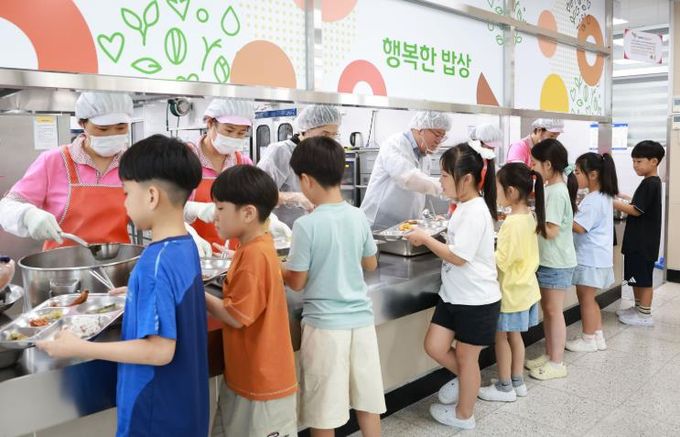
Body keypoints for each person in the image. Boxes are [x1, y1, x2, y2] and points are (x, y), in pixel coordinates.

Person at [37, 135, 209, 437]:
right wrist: (137, 294)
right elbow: (177, 300)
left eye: (127, 193)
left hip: (154, 414)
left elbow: (159, 351)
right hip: (185, 408)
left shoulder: (155, 263)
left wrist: (77, 347)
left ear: (152, 196)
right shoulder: (185, 246)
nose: (124, 202)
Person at [282, 137, 385, 437]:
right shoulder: (357, 215)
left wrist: (278, 267)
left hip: (325, 327)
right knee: (367, 401)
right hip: (361, 323)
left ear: (306, 180)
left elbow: (297, 282)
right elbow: (370, 264)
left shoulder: (306, 225)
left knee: (324, 412)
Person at [405, 141, 500, 430]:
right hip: (454, 296)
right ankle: (468, 381)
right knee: (434, 346)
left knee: (467, 359)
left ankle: (464, 415)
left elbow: (459, 257)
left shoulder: (475, 211)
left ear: (466, 179)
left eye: (445, 175)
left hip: (477, 300)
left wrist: (425, 238)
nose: (441, 181)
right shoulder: (463, 206)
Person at [203, 165, 298, 436]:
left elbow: (235, 316)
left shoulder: (254, 256)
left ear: (247, 213)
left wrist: (196, 292)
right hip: (248, 375)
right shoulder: (254, 246)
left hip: (263, 383)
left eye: (220, 208)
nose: (214, 216)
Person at [0, 92, 133, 250]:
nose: (112, 135)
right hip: (63, 262)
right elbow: (7, 206)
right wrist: (27, 215)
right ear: (82, 124)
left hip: (117, 259)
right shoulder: (54, 161)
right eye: (102, 129)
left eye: (121, 127)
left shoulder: (133, 163)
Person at [478, 162, 544, 402]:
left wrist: (484, 254)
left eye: (498, 188)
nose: (495, 193)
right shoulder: (529, 216)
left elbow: (502, 261)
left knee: (501, 338)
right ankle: (518, 381)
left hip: (510, 291)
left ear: (512, 191)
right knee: (516, 337)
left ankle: (505, 386)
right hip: (526, 288)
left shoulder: (511, 223)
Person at [525, 139, 577, 380]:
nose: (532, 167)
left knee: (554, 312)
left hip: (556, 262)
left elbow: (552, 231)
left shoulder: (556, 192)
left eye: (534, 163)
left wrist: (528, 221)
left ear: (547, 164)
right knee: (548, 311)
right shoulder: (552, 188)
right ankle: (549, 354)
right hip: (550, 260)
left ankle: (557, 363)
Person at [182, 99, 255, 256]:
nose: (234, 137)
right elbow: (165, 209)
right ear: (210, 123)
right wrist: (194, 215)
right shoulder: (184, 159)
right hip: (193, 251)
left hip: (234, 253)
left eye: (241, 133)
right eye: (229, 130)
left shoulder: (242, 163)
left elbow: (253, 205)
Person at [361, 111, 450, 231]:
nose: (439, 140)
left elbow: (419, 191)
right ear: (420, 129)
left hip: (404, 226)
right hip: (378, 223)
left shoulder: (425, 157)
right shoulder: (395, 144)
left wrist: (426, 218)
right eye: (437, 134)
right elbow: (408, 178)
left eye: (442, 136)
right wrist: (445, 187)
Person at [566, 152, 619, 352]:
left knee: (586, 300)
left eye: (578, 172)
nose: (575, 176)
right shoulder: (603, 196)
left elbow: (580, 227)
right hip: (599, 258)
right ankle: (598, 337)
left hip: (589, 258)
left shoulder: (593, 200)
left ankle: (588, 340)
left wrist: (562, 218)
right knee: (591, 299)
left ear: (593, 174)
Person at [258, 104, 342, 227]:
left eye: (334, 135)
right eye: (325, 134)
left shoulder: (321, 154)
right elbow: (257, 194)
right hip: (284, 232)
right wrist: (294, 198)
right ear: (306, 129)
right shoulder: (281, 152)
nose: (330, 140)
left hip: (313, 230)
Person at [615, 141, 665, 327]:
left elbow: (636, 210)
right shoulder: (649, 182)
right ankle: (637, 308)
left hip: (643, 243)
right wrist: (624, 197)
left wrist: (611, 202)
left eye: (639, 161)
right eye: (633, 161)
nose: (635, 165)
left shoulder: (650, 183)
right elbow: (639, 204)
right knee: (635, 276)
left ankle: (644, 314)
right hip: (638, 241)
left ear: (654, 161)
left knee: (643, 279)